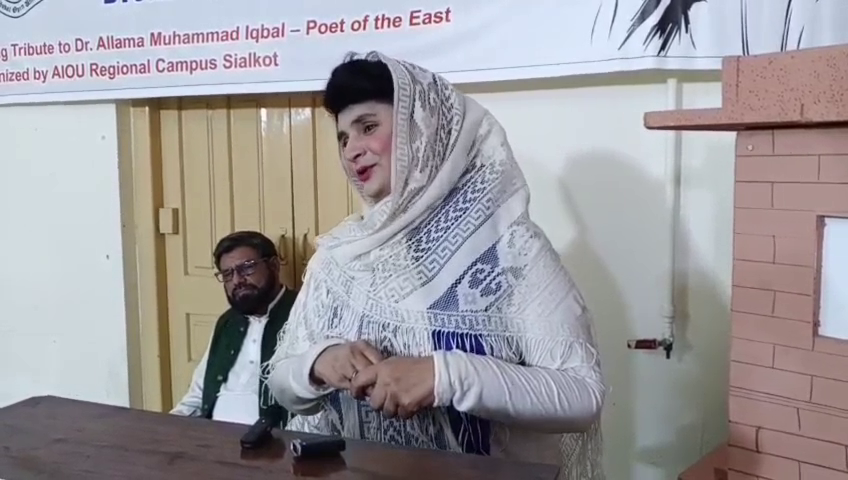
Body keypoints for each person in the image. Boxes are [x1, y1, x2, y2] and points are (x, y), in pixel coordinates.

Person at [264, 52, 606, 478]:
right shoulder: (340, 256)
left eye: (368, 127)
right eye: (343, 138)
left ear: (422, 129)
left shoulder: (510, 249)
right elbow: (282, 381)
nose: (351, 151)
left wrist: (445, 377)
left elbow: (581, 394)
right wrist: (319, 363)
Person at [171, 231, 296, 428]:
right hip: (212, 437)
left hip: (273, 440)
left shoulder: (303, 314)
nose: (237, 280)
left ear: (273, 265)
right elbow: (198, 395)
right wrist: (166, 428)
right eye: (227, 274)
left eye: (247, 268)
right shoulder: (228, 322)